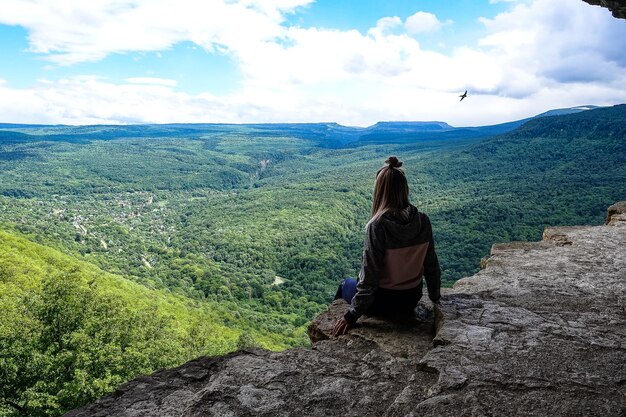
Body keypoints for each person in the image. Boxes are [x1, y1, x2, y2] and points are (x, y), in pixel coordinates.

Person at [333, 156, 441, 336]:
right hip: (411, 299)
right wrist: (435, 297)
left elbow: (370, 278)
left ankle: (333, 338)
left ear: (380, 192)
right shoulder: (422, 220)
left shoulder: (378, 226)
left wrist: (350, 316)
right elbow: (431, 265)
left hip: (381, 302)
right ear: (404, 189)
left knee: (346, 284)